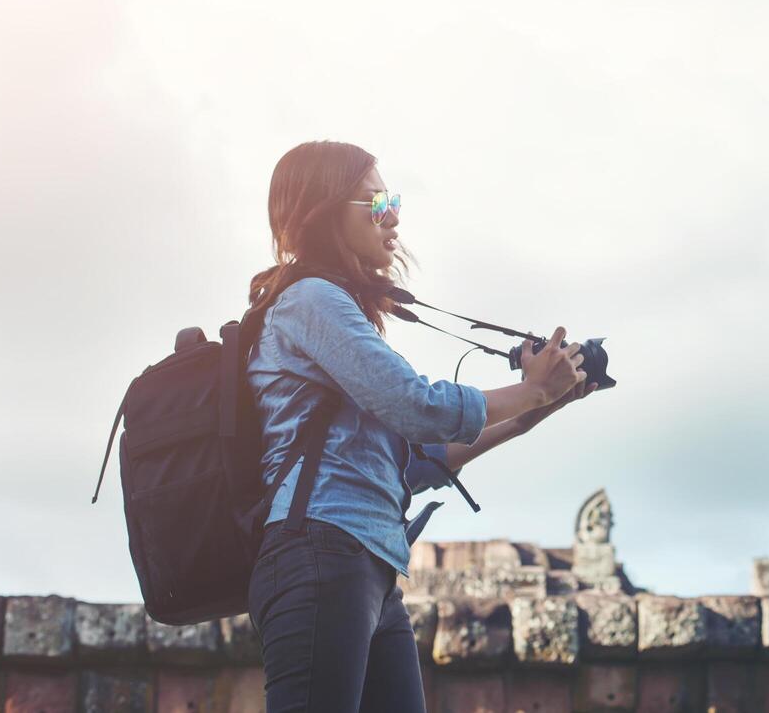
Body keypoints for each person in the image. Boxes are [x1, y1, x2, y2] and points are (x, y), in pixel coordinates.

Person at [242, 140, 597, 711]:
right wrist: (528, 388)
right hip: (320, 552)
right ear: (323, 209)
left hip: (368, 567)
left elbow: (419, 457)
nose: (394, 215)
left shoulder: (337, 308)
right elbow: (418, 407)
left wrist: (536, 408)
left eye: (393, 199)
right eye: (375, 200)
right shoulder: (309, 300)